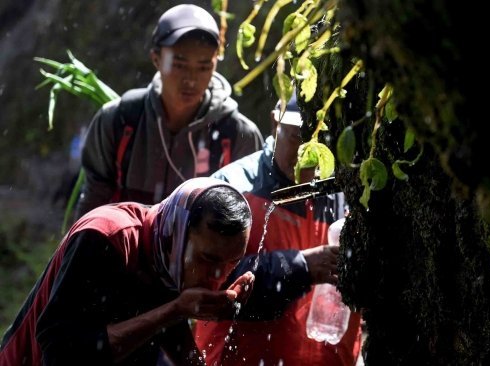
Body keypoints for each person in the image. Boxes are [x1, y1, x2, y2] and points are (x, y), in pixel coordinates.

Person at [0, 177, 255, 366]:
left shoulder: (168, 261)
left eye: (232, 262)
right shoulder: (105, 238)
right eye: (208, 259)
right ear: (176, 234)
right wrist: (175, 310)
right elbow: (61, 352)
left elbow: (170, 331)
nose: (218, 276)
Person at [194, 92, 362, 365]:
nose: (308, 156)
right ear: (275, 123)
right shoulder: (231, 190)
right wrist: (299, 267)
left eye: (321, 142)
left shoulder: (347, 198)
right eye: (298, 137)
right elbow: (206, 282)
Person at [75, 4, 264, 219]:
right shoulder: (118, 120)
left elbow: (246, 221)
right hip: (123, 249)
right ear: (156, 58)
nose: (191, 80)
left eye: (204, 67)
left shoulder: (238, 135)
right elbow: (93, 202)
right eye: (179, 64)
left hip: (197, 253)